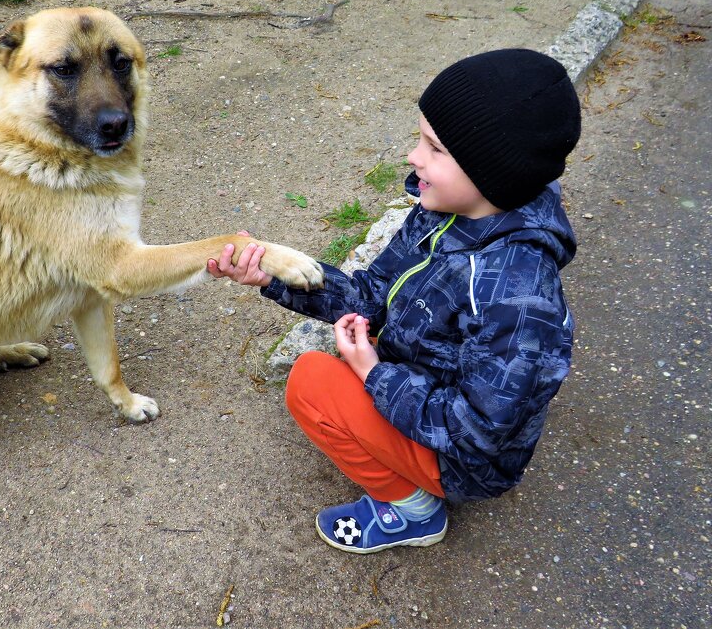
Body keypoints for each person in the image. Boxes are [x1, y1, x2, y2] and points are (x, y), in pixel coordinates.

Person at [208, 48, 581, 554]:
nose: (413, 157)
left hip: (468, 458)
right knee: (350, 348)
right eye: (419, 139)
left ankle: (413, 510)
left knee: (312, 383)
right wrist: (272, 278)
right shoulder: (446, 210)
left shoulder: (514, 292)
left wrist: (374, 375)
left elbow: (479, 434)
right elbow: (371, 296)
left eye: (434, 148)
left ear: (490, 169)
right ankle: (395, 445)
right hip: (432, 377)